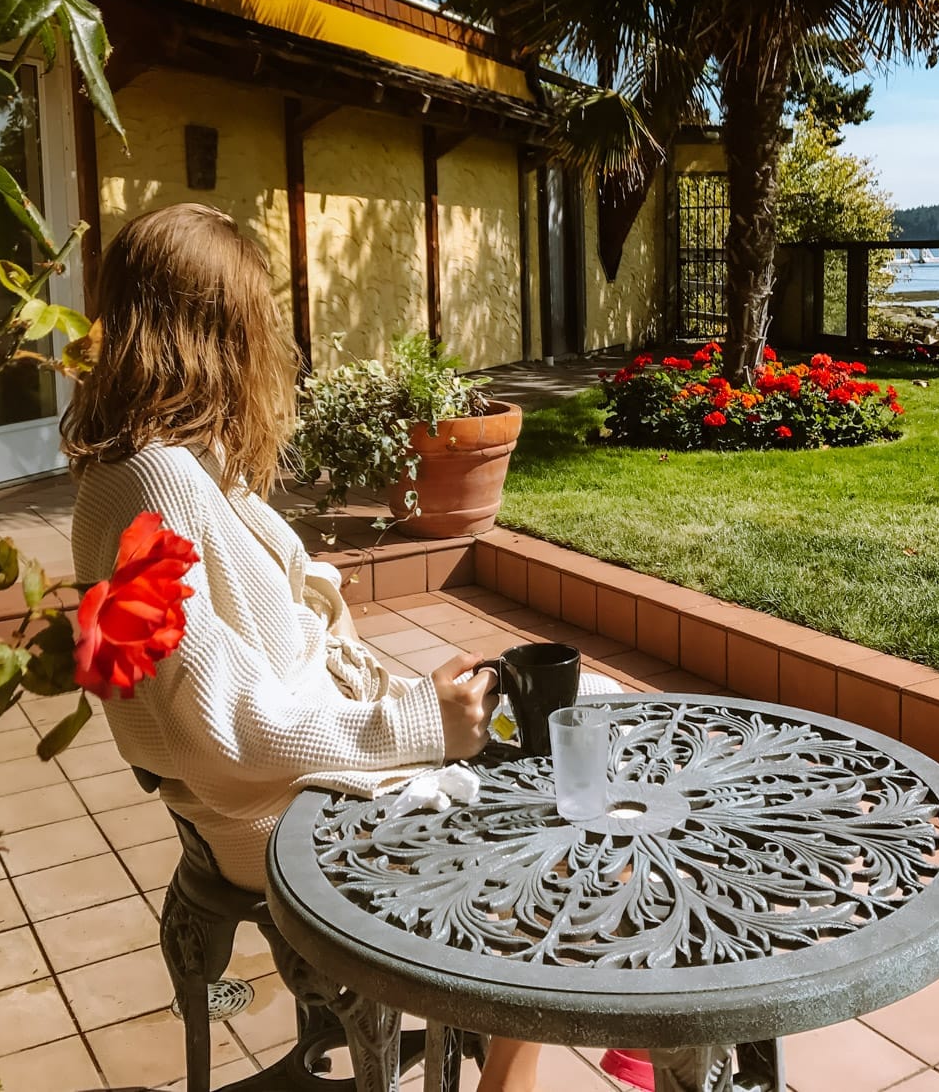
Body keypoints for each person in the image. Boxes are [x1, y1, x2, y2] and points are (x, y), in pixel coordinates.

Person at [63, 202, 595, 1092]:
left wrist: (402, 702)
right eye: (256, 317)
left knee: (581, 751)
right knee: (560, 837)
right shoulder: (146, 486)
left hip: (296, 777)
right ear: (212, 331)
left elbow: (240, 675)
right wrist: (420, 723)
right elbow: (219, 730)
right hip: (274, 816)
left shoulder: (168, 470)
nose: (271, 341)